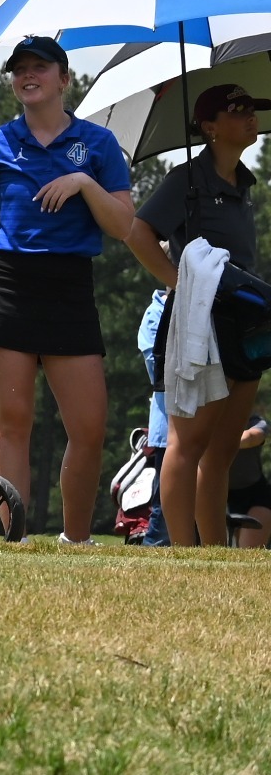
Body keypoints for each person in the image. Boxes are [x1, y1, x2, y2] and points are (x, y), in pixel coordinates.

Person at [0, 35, 134, 546]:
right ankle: (14, 541)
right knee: (13, 423)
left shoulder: (98, 146)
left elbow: (123, 226)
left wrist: (83, 183)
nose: (27, 76)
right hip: (7, 284)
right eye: (18, 69)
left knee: (89, 428)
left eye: (39, 67)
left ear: (65, 78)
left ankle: (75, 541)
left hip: (69, 287)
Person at [126, 82, 269, 547]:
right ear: (209, 127)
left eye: (252, 110)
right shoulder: (185, 180)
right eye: (236, 111)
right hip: (197, 322)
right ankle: (182, 552)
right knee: (188, 444)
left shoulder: (245, 183)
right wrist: (176, 280)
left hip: (243, 322)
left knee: (224, 450)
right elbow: (138, 231)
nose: (250, 118)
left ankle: (213, 554)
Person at [136, 289, 172, 545]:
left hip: (196, 425)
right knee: (164, 504)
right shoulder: (155, 313)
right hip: (168, 428)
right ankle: (153, 549)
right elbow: (156, 370)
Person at [229, 415, 270, 549]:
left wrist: (220, 441)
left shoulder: (255, 421)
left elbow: (253, 437)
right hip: (217, 495)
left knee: (249, 550)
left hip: (255, 495)